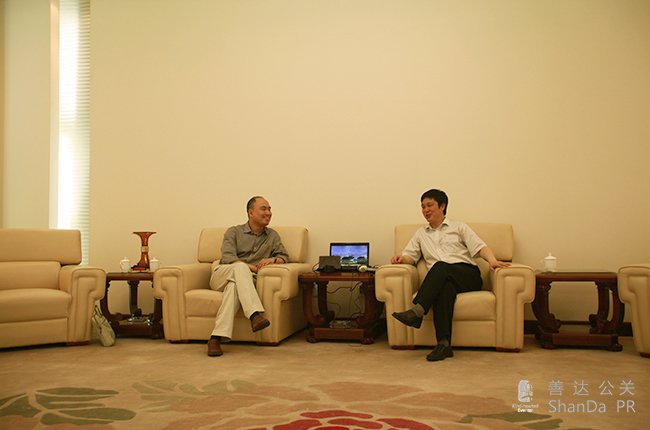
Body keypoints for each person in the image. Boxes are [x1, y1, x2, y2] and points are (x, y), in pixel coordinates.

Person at [391, 189, 510, 362]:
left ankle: (417, 311)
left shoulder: (459, 227)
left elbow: (480, 247)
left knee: (440, 266)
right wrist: (402, 259)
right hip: (443, 278)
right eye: (423, 206)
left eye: (429, 205)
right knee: (444, 289)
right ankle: (444, 344)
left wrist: (492, 261)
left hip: (467, 275)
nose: (425, 210)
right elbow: (411, 256)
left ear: (442, 206)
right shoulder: (421, 234)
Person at [207, 196, 289, 357]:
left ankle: (215, 338)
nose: (268, 213)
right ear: (251, 213)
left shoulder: (272, 236)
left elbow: (284, 257)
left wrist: (272, 260)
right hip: (222, 274)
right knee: (240, 267)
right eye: (263, 209)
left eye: (269, 209)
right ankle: (254, 314)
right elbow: (228, 258)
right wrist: (252, 267)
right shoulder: (234, 232)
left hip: (244, 282)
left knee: (233, 288)